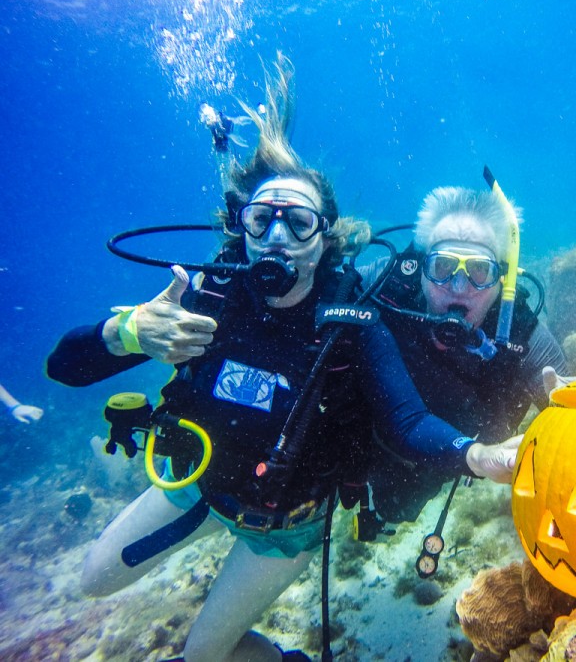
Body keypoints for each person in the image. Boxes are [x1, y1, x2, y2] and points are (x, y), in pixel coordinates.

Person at [45, 55, 519, 662]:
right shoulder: (204, 295)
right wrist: (128, 331)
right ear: (239, 227)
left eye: (298, 223)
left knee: (203, 657)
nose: (276, 237)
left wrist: (474, 455)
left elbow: (406, 421)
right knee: (91, 581)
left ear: (325, 237)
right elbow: (64, 367)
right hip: (192, 480)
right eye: (260, 218)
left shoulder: (351, 320)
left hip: (283, 527)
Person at [360, 186, 568, 525]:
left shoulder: (521, 333)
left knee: (396, 510)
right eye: (442, 267)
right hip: (367, 439)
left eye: (480, 271)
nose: (458, 287)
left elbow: (569, 412)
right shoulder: (385, 285)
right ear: (420, 267)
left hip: (450, 459)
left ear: (502, 280)